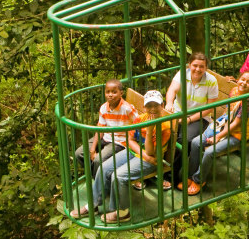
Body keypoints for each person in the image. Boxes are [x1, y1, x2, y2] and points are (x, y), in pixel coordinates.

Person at [70, 90, 171, 223]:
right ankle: (92, 205)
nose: (152, 109)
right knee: (104, 168)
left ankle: (123, 212)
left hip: (151, 161)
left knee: (118, 176)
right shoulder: (141, 119)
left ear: (162, 106)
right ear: (144, 107)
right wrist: (144, 156)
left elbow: (150, 152)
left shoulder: (164, 127)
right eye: (149, 105)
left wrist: (150, 130)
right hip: (137, 154)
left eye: (156, 105)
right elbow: (130, 140)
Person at [182, 71, 249, 195]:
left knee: (210, 152)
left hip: (236, 134)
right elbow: (228, 111)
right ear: (238, 79)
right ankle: (191, 176)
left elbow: (235, 124)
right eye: (243, 79)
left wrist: (218, 136)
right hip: (223, 125)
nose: (244, 83)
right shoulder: (234, 91)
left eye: (248, 82)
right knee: (195, 142)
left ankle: (199, 180)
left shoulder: (248, 102)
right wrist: (216, 127)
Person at [164, 53, 219, 188]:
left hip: (200, 118)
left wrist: (189, 119)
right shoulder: (182, 74)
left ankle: (171, 176)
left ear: (206, 68)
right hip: (179, 114)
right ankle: (156, 168)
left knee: (184, 140)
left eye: (202, 66)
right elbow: (172, 89)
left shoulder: (211, 81)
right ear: (189, 65)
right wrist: (169, 103)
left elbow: (209, 108)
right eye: (195, 65)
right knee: (164, 133)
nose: (198, 69)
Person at [75, 79, 138, 177]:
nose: (110, 95)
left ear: (121, 93)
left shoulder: (127, 108)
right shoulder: (104, 108)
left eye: (114, 92)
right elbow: (100, 129)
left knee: (98, 160)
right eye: (107, 92)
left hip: (119, 142)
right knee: (79, 153)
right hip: (106, 137)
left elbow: (139, 123)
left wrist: (133, 140)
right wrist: (92, 149)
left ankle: (100, 186)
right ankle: (97, 178)